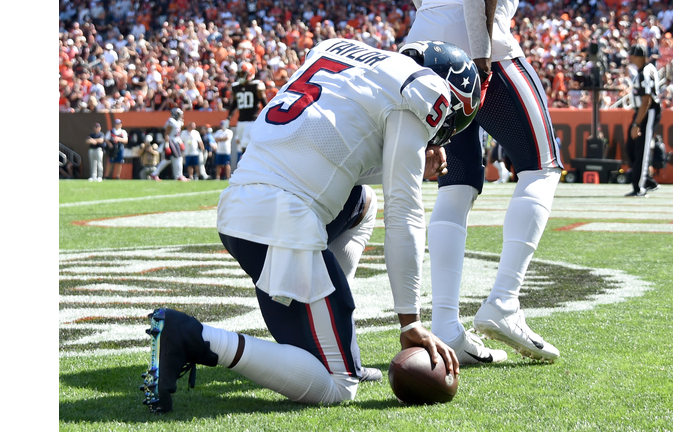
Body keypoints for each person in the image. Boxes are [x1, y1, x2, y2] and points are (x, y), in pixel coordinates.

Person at [141, 38, 481, 413]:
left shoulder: (338, 50)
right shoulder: (422, 89)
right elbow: (404, 214)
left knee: (363, 203)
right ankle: (195, 338)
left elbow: (335, 150)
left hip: (244, 205)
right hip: (281, 221)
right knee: (337, 386)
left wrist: (407, 159)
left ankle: (331, 337)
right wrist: (409, 322)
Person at [404, 0, 564, 364]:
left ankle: (445, 324)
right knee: (542, 166)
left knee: (456, 179)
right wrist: (481, 53)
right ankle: (504, 301)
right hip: (479, 44)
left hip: (422, 45)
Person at [624, 44, 661, 197]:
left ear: (640, 57)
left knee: (641, 148)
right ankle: (647, 180)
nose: (631, 58)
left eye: (633, 55)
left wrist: (637, 124)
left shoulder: (645, 72)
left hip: (647, 111)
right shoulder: (645, 70)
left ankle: (640, 187)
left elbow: (647, 101)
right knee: (631, 146)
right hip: (642, 111)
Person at [227, 62, 268, 174]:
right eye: (240, 73)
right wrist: (228, 118)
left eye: (243, 73)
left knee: (248, 146)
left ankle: (249, 170)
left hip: (252, 121)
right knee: (243, 146)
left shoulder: (256, 85)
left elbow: (264, 103)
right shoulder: (236, 87)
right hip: (241, 122)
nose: (241, 76)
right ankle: (248, 169)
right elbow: (234, 104)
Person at [150, 108, 189, 181]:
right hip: (171, 141)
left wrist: (180, 143)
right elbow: (166, 134)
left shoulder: (179, 122)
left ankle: (154, 174)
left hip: (175, 140)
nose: (181, 116)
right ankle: (180, 176)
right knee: (179, 158)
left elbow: (177, 135)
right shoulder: (171, 121)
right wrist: (167, 146)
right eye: (179, 114)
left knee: (167, 160)